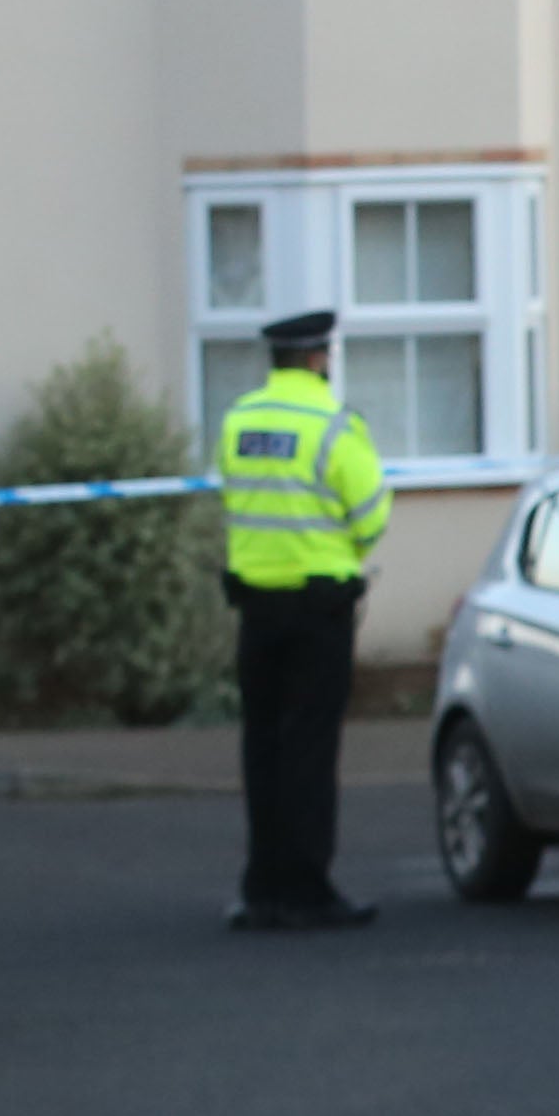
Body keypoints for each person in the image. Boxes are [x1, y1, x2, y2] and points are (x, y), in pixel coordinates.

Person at [218, 307, 390, 931]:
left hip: (255, 609)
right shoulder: (335, 426)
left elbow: (236, 501)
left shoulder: (238, 420)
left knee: (261, 747)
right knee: (311, 750)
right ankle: (308, 888)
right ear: (320, 358)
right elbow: (371, 515)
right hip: (318, 610)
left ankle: (262, 886)